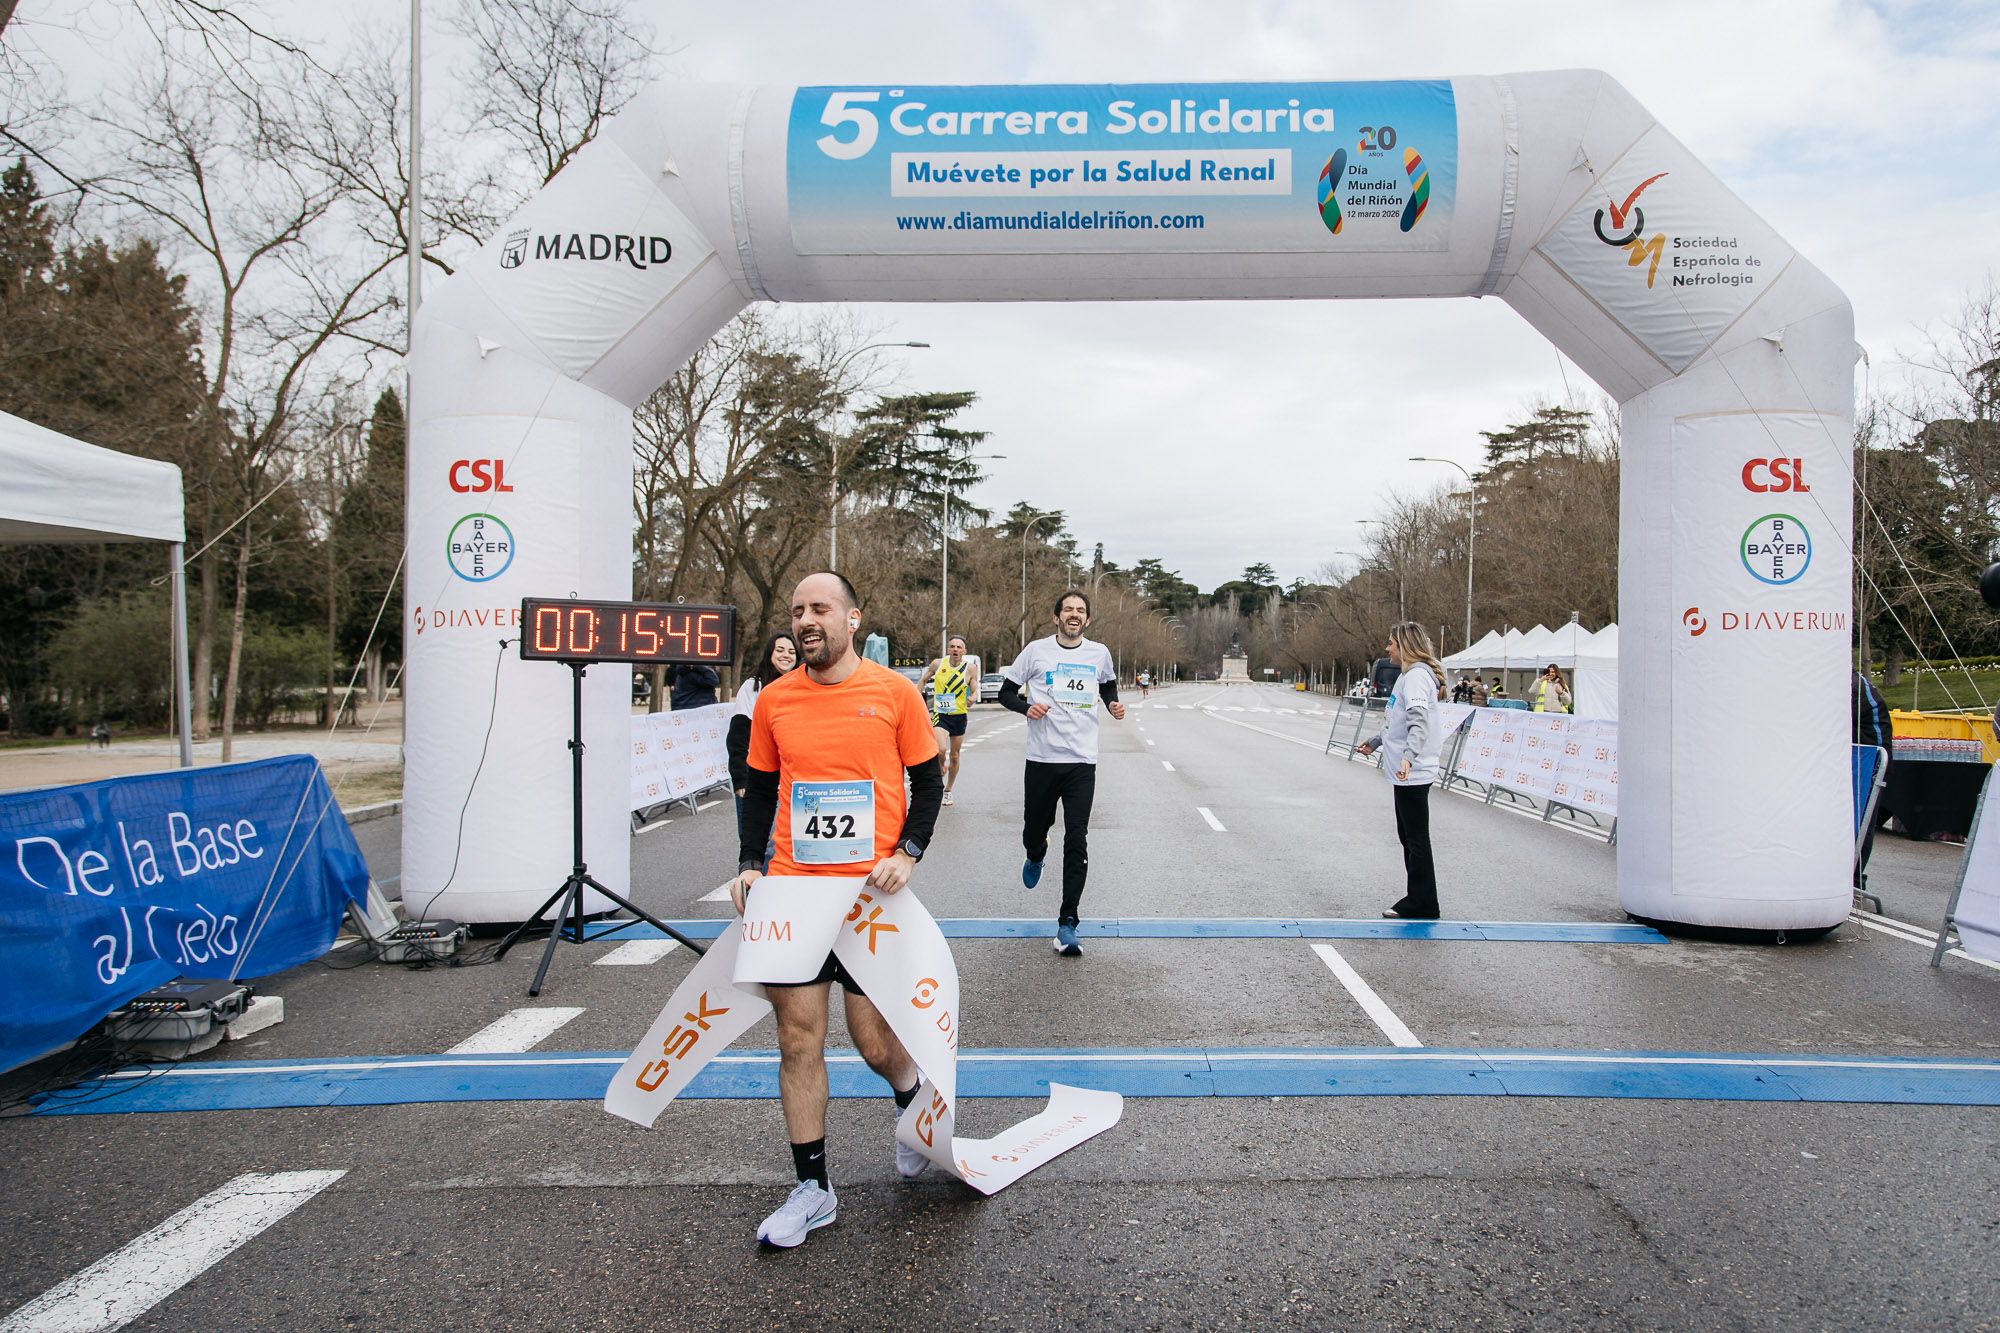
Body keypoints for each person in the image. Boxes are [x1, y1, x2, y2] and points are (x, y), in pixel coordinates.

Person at [731, 572, 944, 1249]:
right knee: (798, 1036)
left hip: (868, 897)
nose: (805, 620)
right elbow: (760, 788)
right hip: (795, 891)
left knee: (875, 1041)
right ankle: (812, 1187)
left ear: (854, 617)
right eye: (797, 610)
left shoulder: (894, 692)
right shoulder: (774, 700)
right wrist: (748, 862)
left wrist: (908, 849)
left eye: (819, 608)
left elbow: (929, 779)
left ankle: (913, 1104)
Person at [999, 589, 1126, 956]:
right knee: (1033, 830)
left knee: (1077, 837)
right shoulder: (1036, 652)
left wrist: (1113, 703)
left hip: (1081, 762)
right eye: (1067, 609)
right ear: (1056, 617)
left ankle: (1068, 923)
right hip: (1041, 759)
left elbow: (1107, 684)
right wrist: (1027, 708)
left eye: (1080, 611)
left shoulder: (1098, 653)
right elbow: (1007, 693)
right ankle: (1036, 852)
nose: (1074, 614)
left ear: (1086, 620)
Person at [1356, 622, 1447, 920]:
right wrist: (1376, 741)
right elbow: (1395, 722)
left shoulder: (1417, 677)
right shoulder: (1407, 677)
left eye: (1392, 643)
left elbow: (1418, 722)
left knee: (1416, 837)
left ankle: (1422, 902)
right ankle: (1419, 897)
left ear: (1405, 645)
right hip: (1404, 769)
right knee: (1408, 836)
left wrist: (1408, 757)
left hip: (1414, 770)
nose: (1388, 648)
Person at [727, 631, 799, 856]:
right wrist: (740, 779)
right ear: (769, 653)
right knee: (758, 847)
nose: (786, 656)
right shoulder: (753, 688)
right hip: (755, 780)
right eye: (780, 650)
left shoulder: (802, 689)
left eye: (791, 652)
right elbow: (738, 736)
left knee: (782, 848)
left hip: (790, 783)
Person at [916, 635, 973, 807]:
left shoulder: (969, 668)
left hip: (959, 715)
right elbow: (924, 680)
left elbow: (974, 687)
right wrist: (918, 695)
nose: (955, 649)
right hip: (940, 713)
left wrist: (974, 696)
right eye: (952, 646)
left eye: (959, 647)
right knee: (940, 749)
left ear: (964, 651)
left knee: (954, 756)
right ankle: (941, 766)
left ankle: (947, 790)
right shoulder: (937, 664)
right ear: (948, 649)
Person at [1853, 668, 1894, 890]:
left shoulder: (1853, 687)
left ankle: (1856, 878)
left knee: (1862, 820)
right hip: (1857, 759)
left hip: (1870, 762)